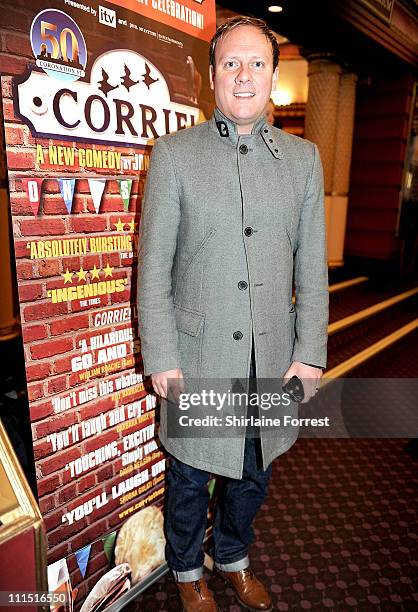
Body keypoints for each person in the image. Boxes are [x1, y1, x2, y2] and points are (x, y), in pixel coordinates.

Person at [137, 15, 328, 612]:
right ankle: (188, 569)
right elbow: (154, 269)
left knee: (254, 474)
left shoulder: (302, 159)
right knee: (191, 478)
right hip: (198, 358)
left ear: (273, 74)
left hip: (270, 360)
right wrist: (162, 356)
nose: (244, 75)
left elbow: (312, 268)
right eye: (231, 63)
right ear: (212, 75)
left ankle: (235, 556)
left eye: (257, 63)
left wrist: (310, 352)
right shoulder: (174, 156)